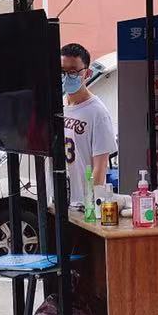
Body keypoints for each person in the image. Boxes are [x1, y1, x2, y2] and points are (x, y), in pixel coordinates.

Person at [60, 42, 116, 203]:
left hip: (83, 204)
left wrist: (91, 203)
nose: (67, 77)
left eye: (73, 72)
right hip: (61, 200)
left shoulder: (97, 113)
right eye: (62, 71)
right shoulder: (59, 106)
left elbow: (100, 167)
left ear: (87, 73)